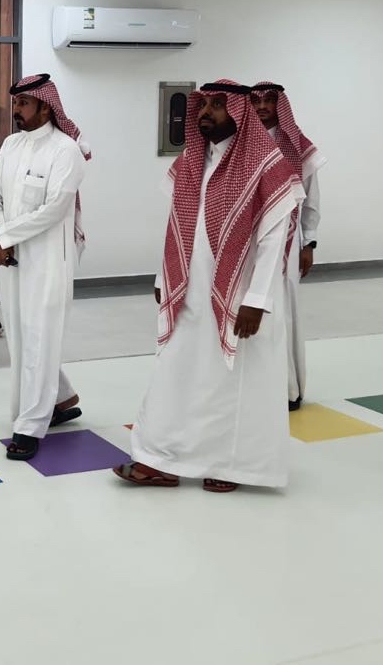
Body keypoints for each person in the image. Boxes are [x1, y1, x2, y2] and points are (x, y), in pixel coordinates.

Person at [117, 80, 300, 492]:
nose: (206, 113)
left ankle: (232, 466)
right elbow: (175, 225)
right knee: (175, 372)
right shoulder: (192, 160)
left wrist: (257, 299)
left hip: (241, 296)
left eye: (218, 105)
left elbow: (274, 238)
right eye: (203, 104)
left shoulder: (266, 164)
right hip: (189, 290)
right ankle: (158, 458)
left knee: (232, 384)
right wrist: (164, 276)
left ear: (239, 111)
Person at [0, 74, 89, 460]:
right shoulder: (11, 145)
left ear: (45, 107)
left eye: (24, 103)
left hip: (47, 262)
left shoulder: (66, 150)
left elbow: (55, 209)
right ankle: (60, 399)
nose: (16, 110)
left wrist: (4, 235)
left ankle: (30, 425)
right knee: (20, 338)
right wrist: (0, 235)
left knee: (40, 338)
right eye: (15, 103)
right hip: (11, 259)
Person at [252, 82, 326, 411]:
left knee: (283, 312)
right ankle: (255, 386)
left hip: (288, 240)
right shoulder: (241, 144)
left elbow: (311, 199)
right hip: (248, 243)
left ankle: (288, 388)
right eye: (256, 101)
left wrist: (309, 242)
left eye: (269, 101)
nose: (262, 107)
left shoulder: (297, 145)